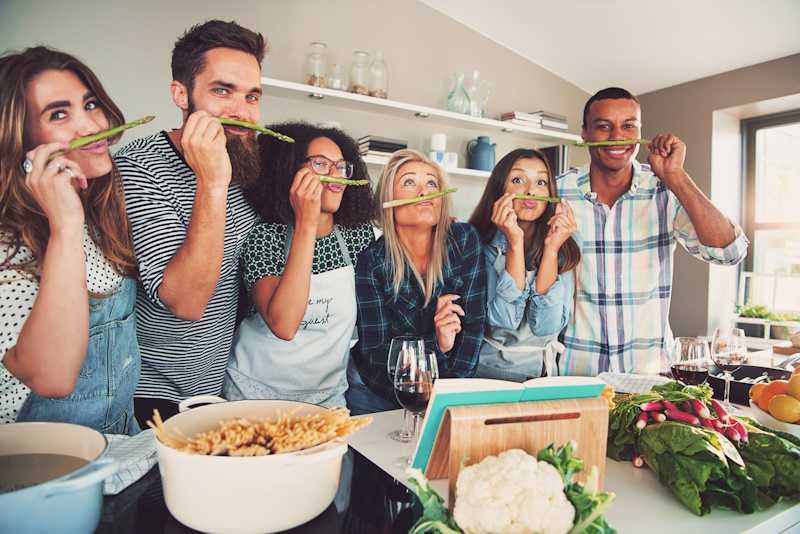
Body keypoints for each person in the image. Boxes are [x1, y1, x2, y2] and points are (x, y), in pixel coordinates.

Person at [115, 20, 265, 427]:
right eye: (222, 90)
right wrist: (212, 182)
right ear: (181, 94)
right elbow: (186, 301)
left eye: (252, 96)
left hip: (218, 390)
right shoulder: (137, 168)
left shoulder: (246, 162)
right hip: (149, 396)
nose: (241, 110)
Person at [557, 87, 748, 376]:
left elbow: (729, 252)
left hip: (650, 378)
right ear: (584, 134)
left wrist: (676, 177)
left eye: (628, 125)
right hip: (574, 375)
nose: (617, 136)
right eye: (603, 126)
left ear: (639, 131)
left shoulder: (665, 191)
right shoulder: (557, 192)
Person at [0, 46, 140, 434]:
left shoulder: (102, 215)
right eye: (59, 114)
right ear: (20, 137)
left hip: (119, 443)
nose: (93, 126)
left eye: (91, 104)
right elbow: (53, 379)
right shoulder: (7, 245)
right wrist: (64, 225)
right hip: (37, 469)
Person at [223, 121, 375, 408]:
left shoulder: (359, 236)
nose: (335, 174)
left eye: (342, 166)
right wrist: (306, 221)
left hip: (327, 399)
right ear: (288, 169)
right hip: (253, 396)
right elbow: (284, 324)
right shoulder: (264, 235)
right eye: (321, 164)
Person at [348, 149, 487, 414]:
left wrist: (448, 392)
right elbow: (374, 350)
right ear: (389, 199)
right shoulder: (373, 261)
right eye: (409, 183)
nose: (425, 192)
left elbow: (475, 325)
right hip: (379, 392)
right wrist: (436, 344)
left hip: (444, 389)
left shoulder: (464, 240)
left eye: (431, 183)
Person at [468, 148, 580, 381]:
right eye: (518, 180)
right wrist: (515, 244)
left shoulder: (565, 244)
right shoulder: (477, 243)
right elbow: (504, 320)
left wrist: (551, 250)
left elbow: (547, 326)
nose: (531, 190)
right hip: (484, 376)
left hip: (541, 378)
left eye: (541, 182)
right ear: (500, 189)